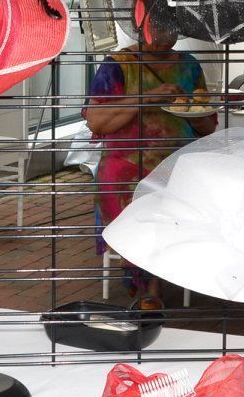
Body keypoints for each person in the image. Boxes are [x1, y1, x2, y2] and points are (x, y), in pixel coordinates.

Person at [83, 20, 218, 301]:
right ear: (140, 27)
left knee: (183, 195)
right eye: (158, 30)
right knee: (136, 198)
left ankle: (155, 274)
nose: (165, 37)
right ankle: (149, 285)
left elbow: (207, 127)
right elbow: (97, 121)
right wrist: (149, 96)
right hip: (125, 161)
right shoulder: (118, 65)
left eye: (171, 30)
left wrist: (197, 113)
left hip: (177, 161)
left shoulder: (188, 65)